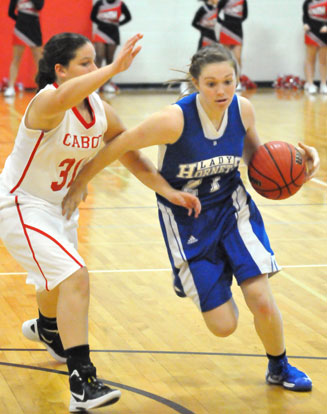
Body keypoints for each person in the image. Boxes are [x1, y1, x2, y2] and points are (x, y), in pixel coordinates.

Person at [62, 44, 320, 393]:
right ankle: (197, 274)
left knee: (260, 297)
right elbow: (119, 145)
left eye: (228, 81)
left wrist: (301, 169)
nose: (222, 91)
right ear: (196, 83)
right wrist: (81, 180)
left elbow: (259, 163)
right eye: (212, 83)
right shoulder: (173, 120)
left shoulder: (242, 110)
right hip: (188, 220)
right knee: (224, 326)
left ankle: (280, 365)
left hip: (233, 210)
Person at [0, 31, 200, 412]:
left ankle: (47, 327)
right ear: (59, 70)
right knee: (75, 276)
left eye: (96, 60)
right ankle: (83, 381)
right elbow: (63, 97)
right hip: (21, 205)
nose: (94, 68)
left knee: (56, 282)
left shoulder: (100, 110)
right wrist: (114, 66)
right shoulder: (46, 101)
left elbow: (126, 150)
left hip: (61, 208)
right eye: (85, 63)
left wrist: (167, 191)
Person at [4, 0, 44, 98]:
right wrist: (20, 20)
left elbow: (39, 6)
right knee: (16, 58)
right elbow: (10, 12)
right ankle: (10, 87)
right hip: (20, 28)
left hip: (34, 27)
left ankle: (42, 87)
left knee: (38, 59)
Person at [91, 0, 132, 94]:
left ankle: (108, 84)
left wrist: (118, 24)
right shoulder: (100, 3)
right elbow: (92, 17)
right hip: (101, 32)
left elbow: (128, 17)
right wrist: (102, 23)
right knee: (99, 57)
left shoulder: (120, 4)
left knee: (110, 59)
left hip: (113, 33)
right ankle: (94, 84)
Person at [217, 0, 248, 91]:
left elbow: (245, 15)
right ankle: (223, 81)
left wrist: (236, 21)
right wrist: (224, 22)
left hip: (237, 29)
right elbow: (216, 12)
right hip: (226, 29)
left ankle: (237, 82)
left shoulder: (243, 1)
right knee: (224, 57)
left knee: (237, 57)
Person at [302, 0, 327, 94]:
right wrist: (305, 24)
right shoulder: (307, 3)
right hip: (311, 33)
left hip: (324, 34)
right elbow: (305, 16)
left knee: (323, 60)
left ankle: (323, 84)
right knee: (310, 59)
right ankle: (310, 83)